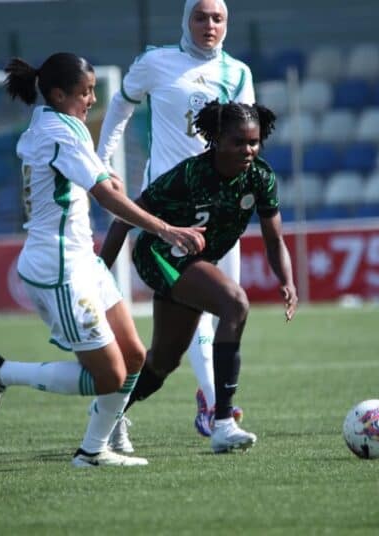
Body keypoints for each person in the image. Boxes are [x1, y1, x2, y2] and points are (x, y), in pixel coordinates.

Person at [0, 52, 206, 468]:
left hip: (84, 261)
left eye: (94, 89)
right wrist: (164, 228)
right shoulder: (60, 131)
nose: (93, 99)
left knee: (135, 357)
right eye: (85, 92)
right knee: (110, 376)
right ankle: (1, 373)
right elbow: (102, 195)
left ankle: (93, 450)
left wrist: (101, 170)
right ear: (59, 95)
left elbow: (78, 172)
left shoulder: (57, 123)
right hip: (59, 268)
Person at [96, 0, 256, 449]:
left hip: (221, 214)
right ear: (185, 20)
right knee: (216, 306)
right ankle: (215, 408)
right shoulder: (156, 63)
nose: (210, 25)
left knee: (216, 317)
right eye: (201, 16)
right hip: (168, 213)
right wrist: (103, 161)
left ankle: (120, 411)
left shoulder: (239, 73)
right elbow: (120, 107)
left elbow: (246, 138)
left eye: (218, 18)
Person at [99, 100, 298, 454]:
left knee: (163, 362)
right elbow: (122, 220)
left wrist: (287, 279)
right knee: (234, 303)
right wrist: (99, 277)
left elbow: (275, 239)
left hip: (196, 263)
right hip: (158, 256)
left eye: (253, 142)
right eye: (238, 142)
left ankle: (107, 414)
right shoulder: (188, 175)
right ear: (217, 139)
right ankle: (223, 422)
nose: (248, 150)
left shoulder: (261, 178)